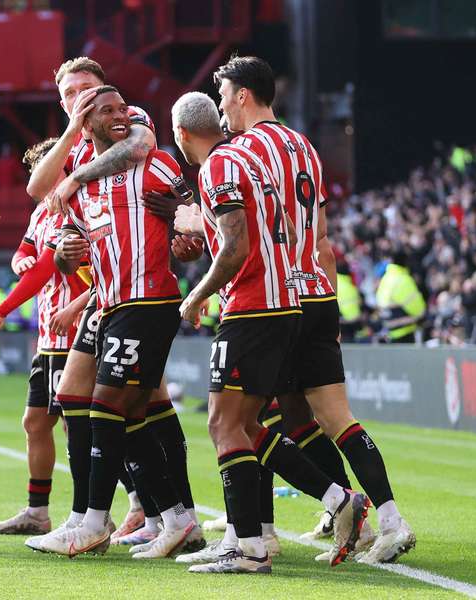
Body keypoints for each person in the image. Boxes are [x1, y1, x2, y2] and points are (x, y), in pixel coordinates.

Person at [169, 91, 370, 574]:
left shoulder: (217, 166)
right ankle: (331, 500)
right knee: (248, 424)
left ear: (180, 136)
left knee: (223, 423)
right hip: (286, 302)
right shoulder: (251, 158)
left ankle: (250, 549)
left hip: (253, 305)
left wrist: (197, 294)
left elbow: (236, 245)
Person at [23, 57, 200, 555]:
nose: (121, 113)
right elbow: (67, 237)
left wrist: (189, 240)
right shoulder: (74, 171)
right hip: (106, 302)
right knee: (87, 399)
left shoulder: (149, 158)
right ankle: (169, 517)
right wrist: (66, 253)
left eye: (114, 102)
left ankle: (99, 520)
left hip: (146, 300)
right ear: (70, 108)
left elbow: (195, 221)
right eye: (76, 94)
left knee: (114, 407)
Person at [0, 138, 89, 535]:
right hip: (49, 336)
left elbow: (47, 270)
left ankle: (107, 510)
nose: (41, 182)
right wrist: (19, 260)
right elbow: (25, 256)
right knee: (37, 422)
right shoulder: (42, 212)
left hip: (75, 335)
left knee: (76, 427)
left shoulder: (76, 209)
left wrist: (0, 313)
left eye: (47, 173)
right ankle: (38, 511)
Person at [376, 249, 425, 343]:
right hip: (404, 332)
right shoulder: (404, 280)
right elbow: (419, 311)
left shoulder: (385, 278)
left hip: (388, 332)